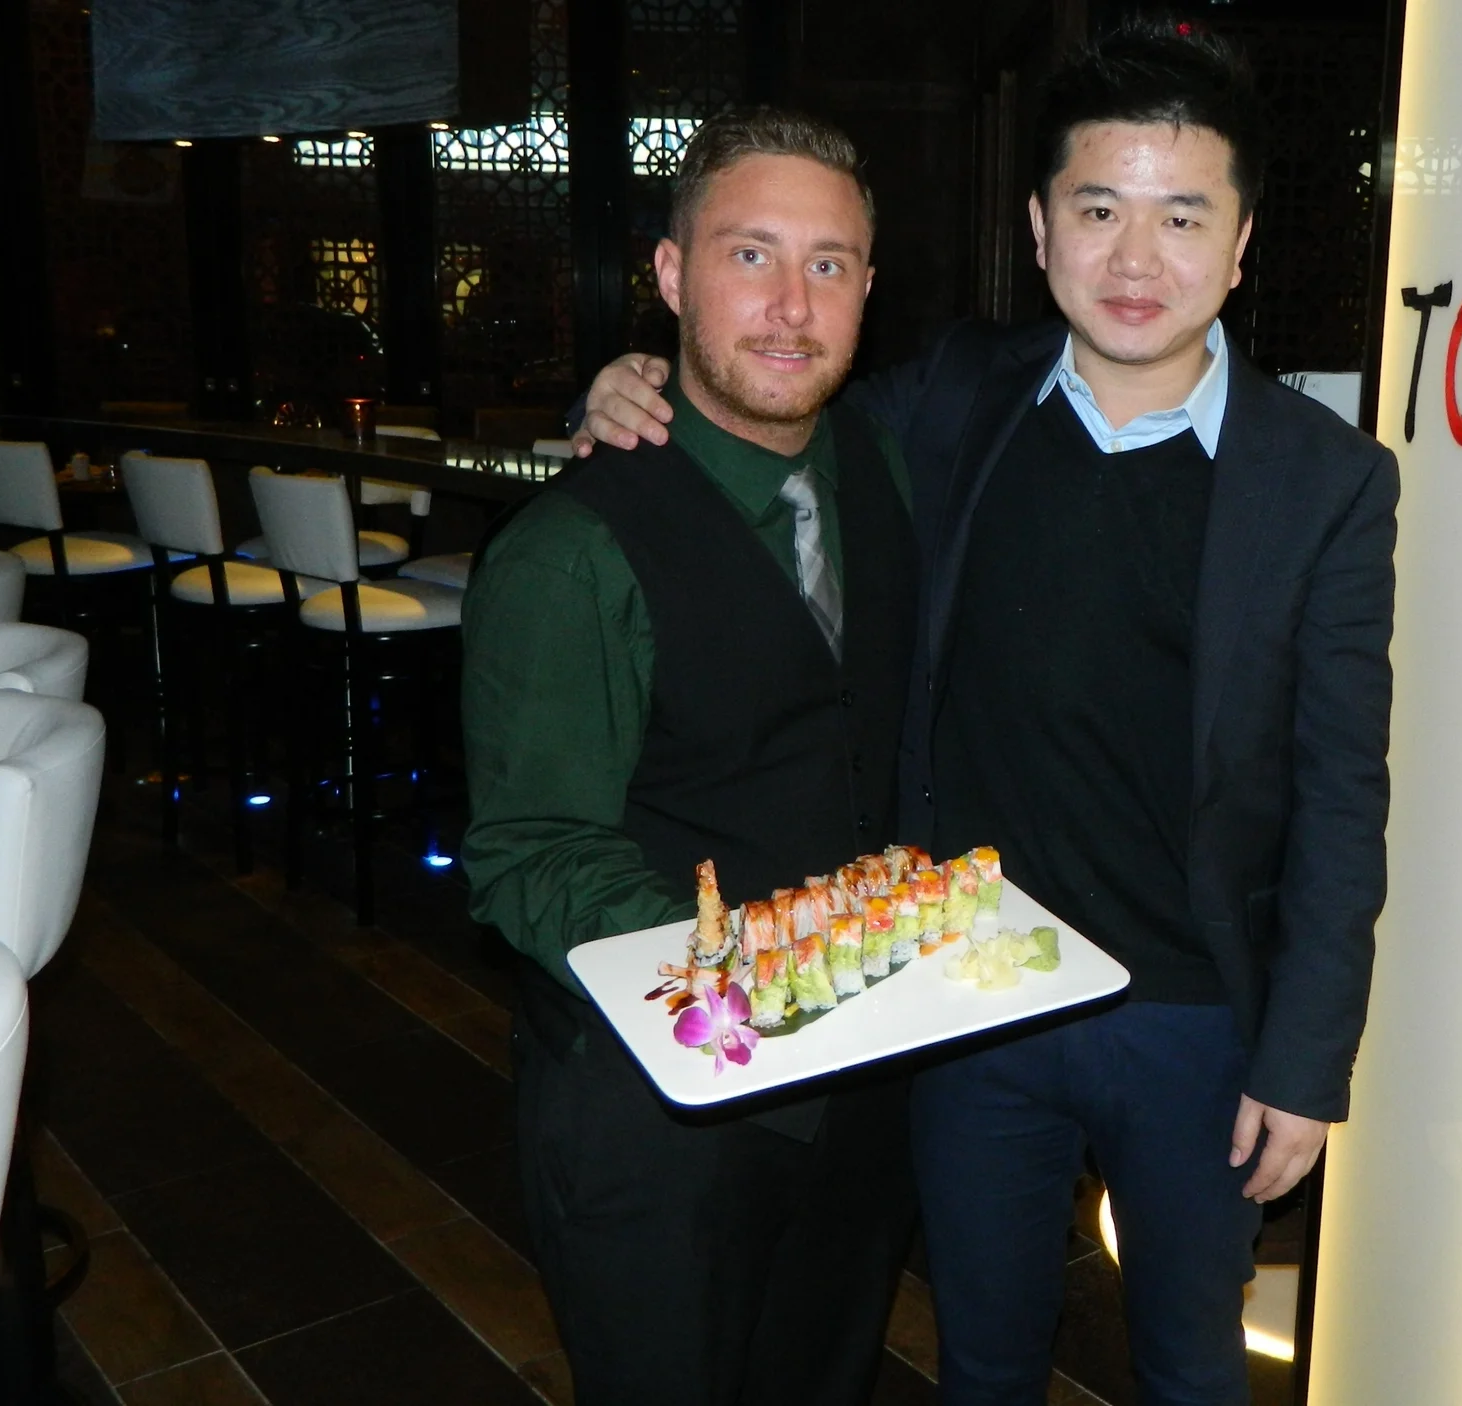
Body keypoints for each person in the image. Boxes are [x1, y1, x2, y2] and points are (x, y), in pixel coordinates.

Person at [576, 24, 1396, 1405]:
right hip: (969, 998)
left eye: (1181, 216)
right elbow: (768, 403)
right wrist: (621, 384)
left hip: (1194, 1017)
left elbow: (1339, 788)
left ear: (1240, 241)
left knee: (1195, 1366)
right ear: (1039, 227)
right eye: (1099, 210)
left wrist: (1307, 1059)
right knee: (985, 1356)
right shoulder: (960, 397)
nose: (1136, 261)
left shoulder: (1325, 482)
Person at [460, 107, 919, 1406]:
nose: (789, 305)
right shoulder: (572, 552)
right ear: (670, 276)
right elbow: (528, 857)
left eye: (827, 265)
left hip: (865, 1085)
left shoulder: (884, 465)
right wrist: (754, 980)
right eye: (749, 256)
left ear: (868, 290)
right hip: (661, 1117)